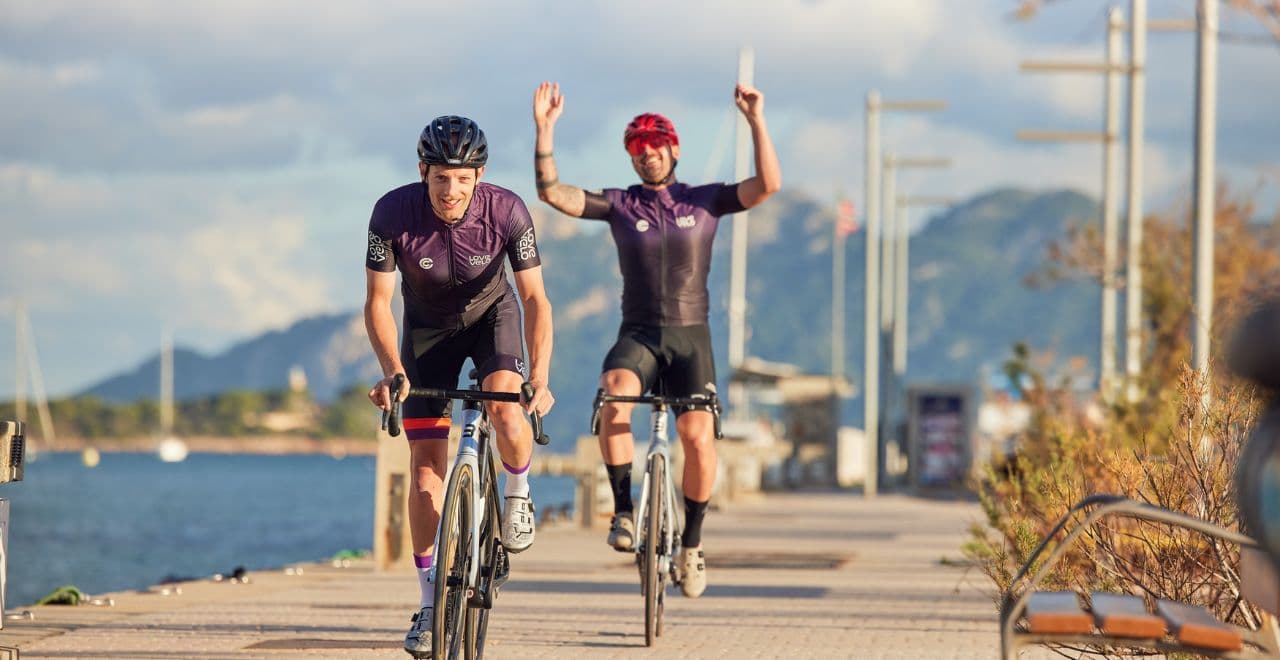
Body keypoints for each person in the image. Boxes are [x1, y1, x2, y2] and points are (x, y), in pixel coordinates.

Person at [531, 82, 780, 597]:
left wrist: (756, 119)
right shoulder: (620, 204)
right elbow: (553, 193)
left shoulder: (704, 200)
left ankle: (692, 544)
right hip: (639, 334)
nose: (646, 154)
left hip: (691, 338)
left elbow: (767, 185)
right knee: (614, 393)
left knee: (697, 436)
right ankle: (624, 512)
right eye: (637, 148)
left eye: (655, 145)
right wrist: (545, 130)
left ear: (674, 149)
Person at [365, 115, 555, 657]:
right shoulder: (391, 213)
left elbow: (535, 299)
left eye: (463, 179)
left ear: (480, 177)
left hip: (493, 317)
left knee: (506, 409)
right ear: (423, 172)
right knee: (426, 474)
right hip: (426, 332)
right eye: (441, 177)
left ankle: (517, 494)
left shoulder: (507, 211)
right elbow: (378, 302)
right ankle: (429, 605)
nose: (451, 190)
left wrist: (539, 377)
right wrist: (392, 370)